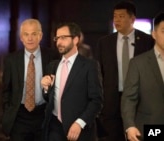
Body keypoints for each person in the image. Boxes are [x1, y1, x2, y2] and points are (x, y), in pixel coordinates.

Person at [94, 1, 155, 141]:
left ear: (132, 19)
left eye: (121, 16)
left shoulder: (147, 41)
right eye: (115, 16)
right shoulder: (104, 42)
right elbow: (99, 73)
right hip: (111, 103)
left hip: (140, 100)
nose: (116, 20)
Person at [41, 22, 102, 141]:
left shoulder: (90, 66)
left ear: (75, 39)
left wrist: (80, 123)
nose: (59, 42)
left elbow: (96, 101)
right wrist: (46, 88)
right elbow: (49, 98)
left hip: (79, 129)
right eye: (57, 38)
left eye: (63, 38)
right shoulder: (52, 65)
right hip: (54, 128)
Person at [1, 19, 59, 141]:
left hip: (43, 114)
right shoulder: (11, 60)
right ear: (21, 37)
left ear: (40, 36)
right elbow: (6, 90)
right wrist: (8, 111)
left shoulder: (52, 56)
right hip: (19, 116)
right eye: (26, 34)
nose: (30, 38)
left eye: (34, 34)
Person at [121, 12, 164, 141]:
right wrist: (130, 126)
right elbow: (129, 98)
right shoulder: (138, 63)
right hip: (150, 129)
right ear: (154, 34)